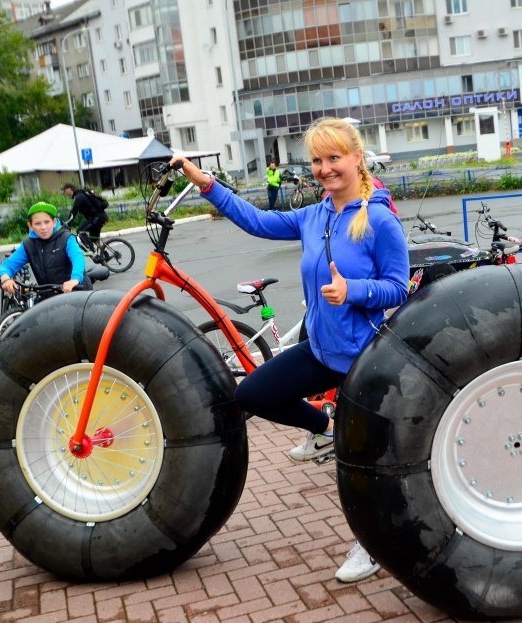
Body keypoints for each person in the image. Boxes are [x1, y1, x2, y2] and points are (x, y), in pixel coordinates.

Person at [170, 117, 409, 585]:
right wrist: (205, 183)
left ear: (356, 158)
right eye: (317, 160)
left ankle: (373, 544)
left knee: (363, 465)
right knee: (254, 395)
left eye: (333, 158)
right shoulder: (314, 215)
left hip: (364, 360)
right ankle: (323, 427)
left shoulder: (379, 219)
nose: (324, 169)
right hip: (321, 350)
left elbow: (398, 287)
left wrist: (354, 291)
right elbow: (257, 220)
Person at [0, 202, 92, 298]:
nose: (43, 227)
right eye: (37, 223)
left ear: (53, 222)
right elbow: (7, 265)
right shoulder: (28, 245)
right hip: (48, 298)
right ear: (30, 225)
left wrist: (75, 279)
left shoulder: (67, 238)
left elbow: (78, 258)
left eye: (47, 222)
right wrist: (5, 279)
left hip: (76, 292)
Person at [62, 182, 108, 251]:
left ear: (69, 189)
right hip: (99, 217)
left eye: (65, 190)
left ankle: (91, 250)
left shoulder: (79, 197)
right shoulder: (81, 194)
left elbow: (73, 212)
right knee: (94, 239)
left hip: (97, 218)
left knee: (80, 231)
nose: (65, 193)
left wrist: (67, 224)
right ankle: (105, 256)